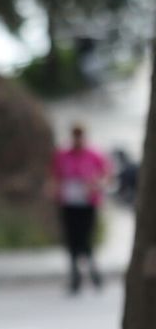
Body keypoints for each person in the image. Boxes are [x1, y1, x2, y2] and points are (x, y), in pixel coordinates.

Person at [52, 124, 111, 294]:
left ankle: (93, 271)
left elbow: (106, 175)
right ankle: (75, 275)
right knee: (72, 238)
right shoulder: (62, 155)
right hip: (69, 203)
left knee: (86, 238)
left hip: (87, 202)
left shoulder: (94, 155)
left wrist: (96, 184)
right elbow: (55, 176)